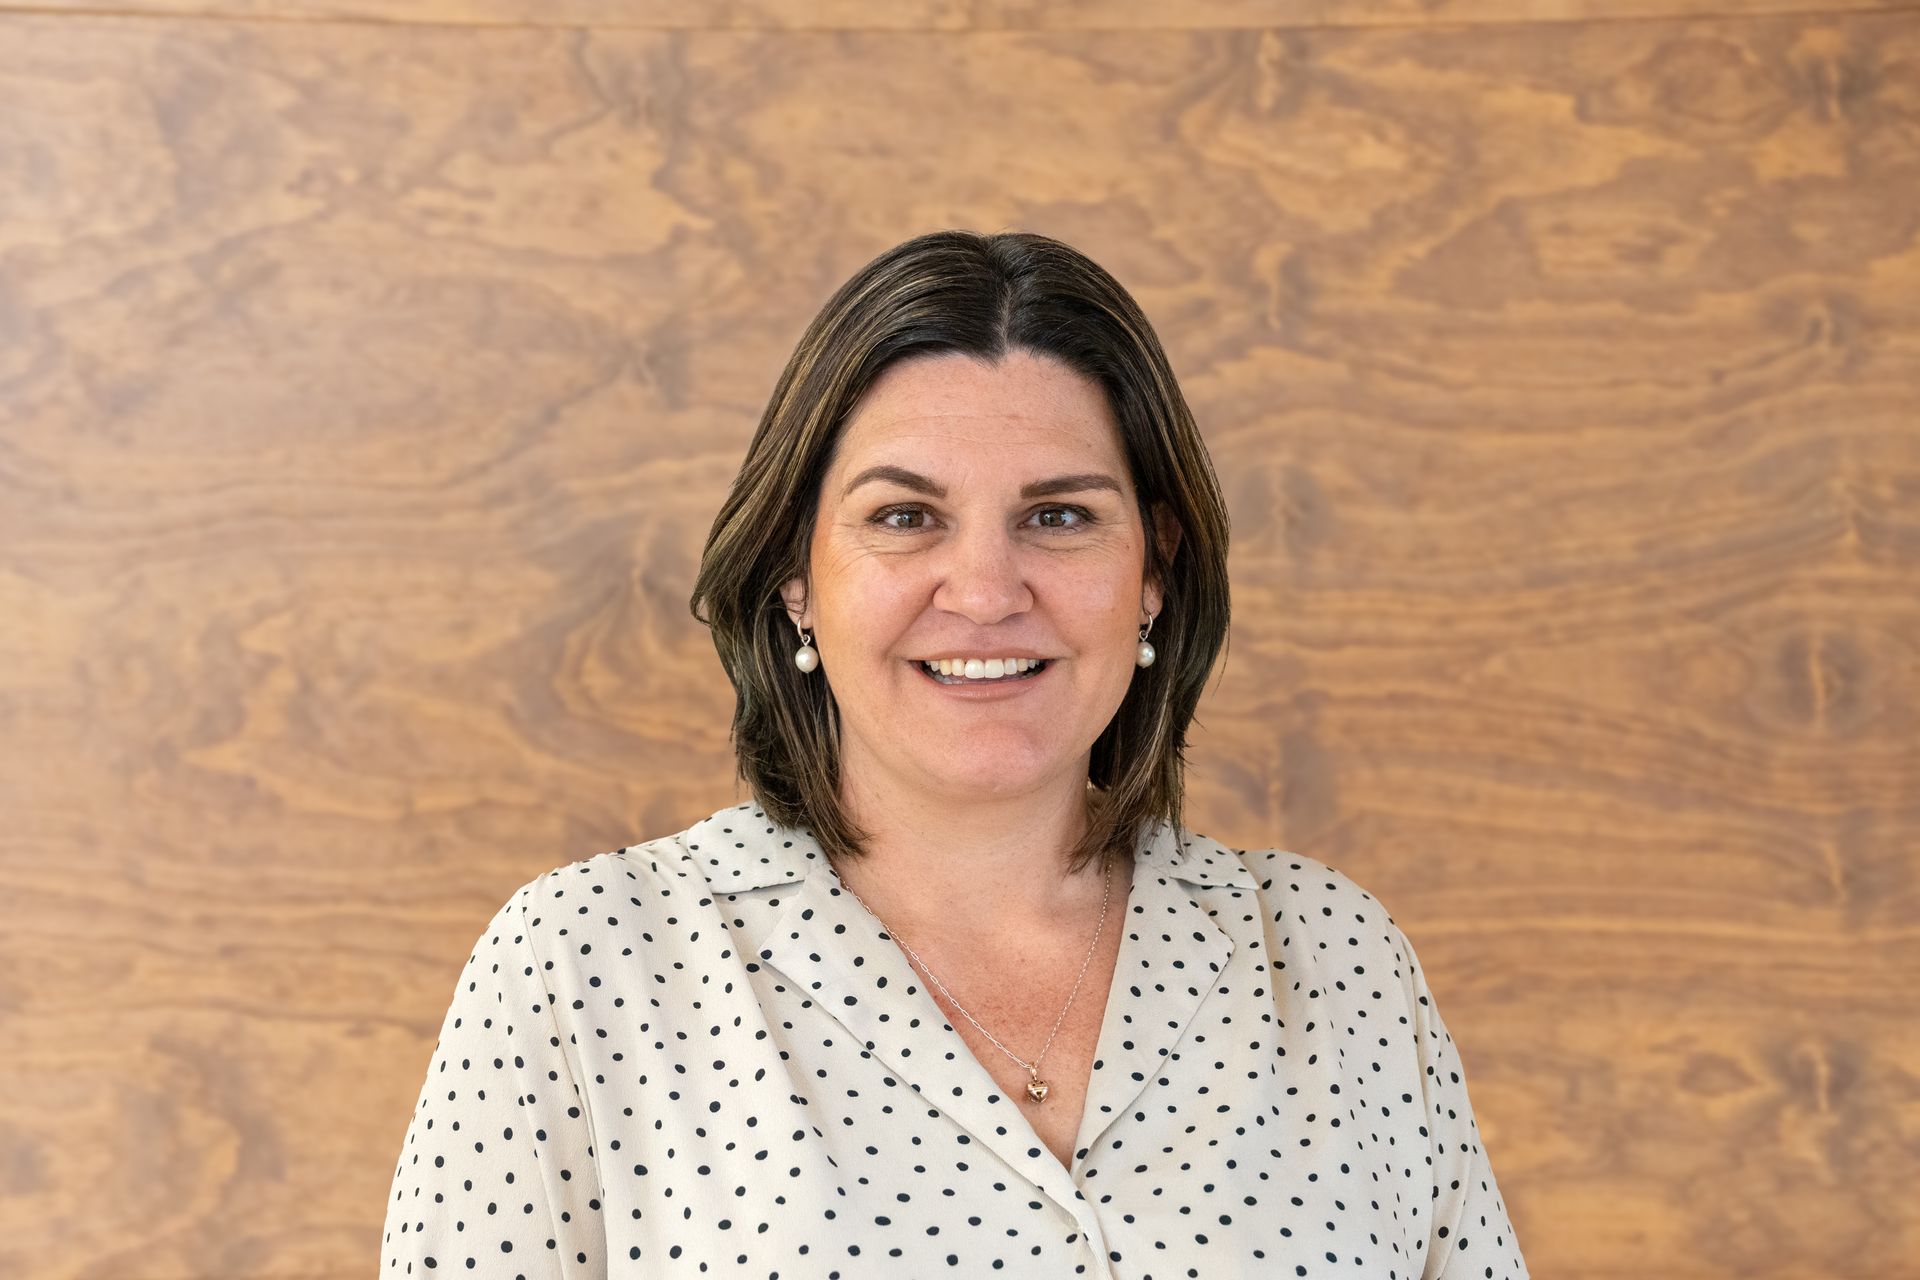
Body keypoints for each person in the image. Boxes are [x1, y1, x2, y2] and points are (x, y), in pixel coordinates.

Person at [379, 230, 1530, 1278]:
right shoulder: (588, 969)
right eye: (903, 516)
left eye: (1061, 515)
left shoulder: (1332, 963)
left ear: (1156, 570)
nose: (985, 591)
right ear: (796, 575)